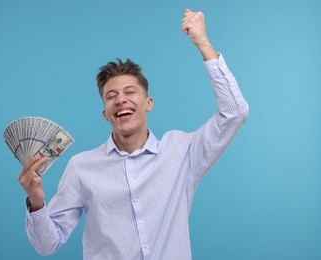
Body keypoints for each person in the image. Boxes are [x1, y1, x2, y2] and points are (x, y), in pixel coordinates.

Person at [18, 8, 249, 260]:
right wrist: (37, 200)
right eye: (111, 96)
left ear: (149, 102)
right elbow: (46, 245)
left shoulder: (182, 152)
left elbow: (235, 113)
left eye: (130, 92)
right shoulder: (81, 167)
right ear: (105, 113)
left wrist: (203, 43)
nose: (121, 100)